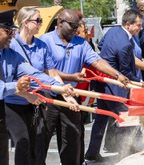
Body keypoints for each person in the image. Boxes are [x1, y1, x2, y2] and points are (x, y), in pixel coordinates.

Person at [39, 9, 130, 165]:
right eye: (73, 26)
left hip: (72, 99)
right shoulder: (44, 41)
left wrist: (117, 75)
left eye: (77, 27)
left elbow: (97, 62)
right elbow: (47, 71)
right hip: (49, 99)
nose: (76, 30)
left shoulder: (80, 43)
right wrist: (71, 77)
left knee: (72, 142)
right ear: (60, 23)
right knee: (41, 142)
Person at [0, 9, 76, 165]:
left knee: (27, 146)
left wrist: (60, 88)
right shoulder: (13, 47)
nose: (11, 35)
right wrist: (20, 90)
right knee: (23, 143)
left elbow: (34, 73)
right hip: (11, 104)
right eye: (8, 31)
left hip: (23, 106)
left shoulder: (10, 54)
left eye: (12, 31)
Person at [85, 9, 144, 162]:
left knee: (101, 119)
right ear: (128, 24)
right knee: (126, 118)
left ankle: (92, 153)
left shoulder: (113, 31)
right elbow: (125, 71)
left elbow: (102, 44)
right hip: (115, 87)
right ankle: (127, 151)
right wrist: (139, 83)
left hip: (102, 83)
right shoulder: (126, 44)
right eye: (138, 25)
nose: (141, 28)